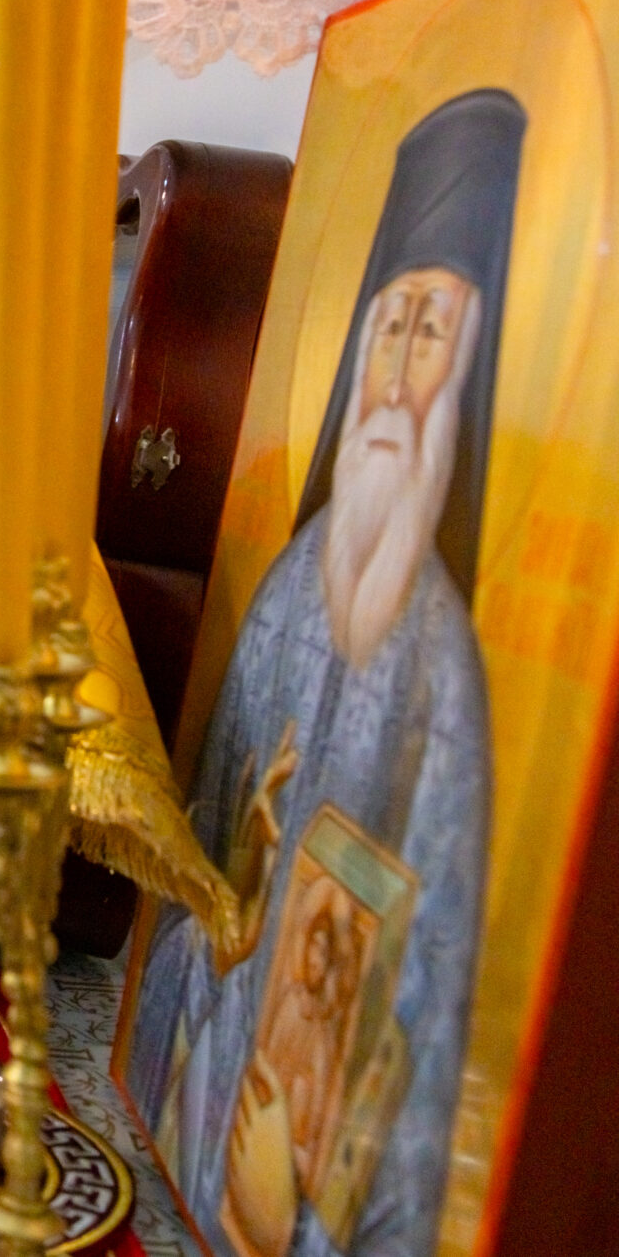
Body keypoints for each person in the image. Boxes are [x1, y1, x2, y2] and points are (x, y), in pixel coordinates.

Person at [126, 92, 524, 1257]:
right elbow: (191, 924)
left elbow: (427, 1080)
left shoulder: (447, 683)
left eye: (430, 334)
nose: (396, 375)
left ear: (466, 368)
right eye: (387, 329)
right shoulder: (285, 594)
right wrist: (222, 938)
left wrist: (284, 1213)